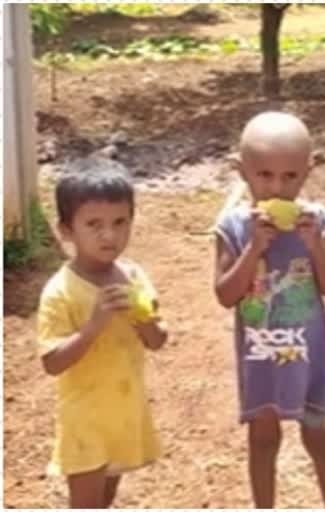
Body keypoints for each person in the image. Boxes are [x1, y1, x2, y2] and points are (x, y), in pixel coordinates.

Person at [213, 112, 325, 508]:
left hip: (309, 356)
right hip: (261, 357)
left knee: (320, 438)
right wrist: (254, 248)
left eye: (290, 177)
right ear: (242, 172)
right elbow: (224, 294)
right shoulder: (233, 227)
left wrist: (314, 245)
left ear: (308, 171)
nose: (277, 187)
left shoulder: (317, 221)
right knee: (263, 440)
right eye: (264, 175)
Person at [36, 157, 168, 508]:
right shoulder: (60, 291)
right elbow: (52, 362)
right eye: (93, 224)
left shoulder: (133, 277)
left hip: (123, 412)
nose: (109, 235)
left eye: (119, 222)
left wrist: (143, 319)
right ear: (66, 230)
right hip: (85, 421)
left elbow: (158, 340)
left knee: (106, 497)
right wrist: (93, 327)